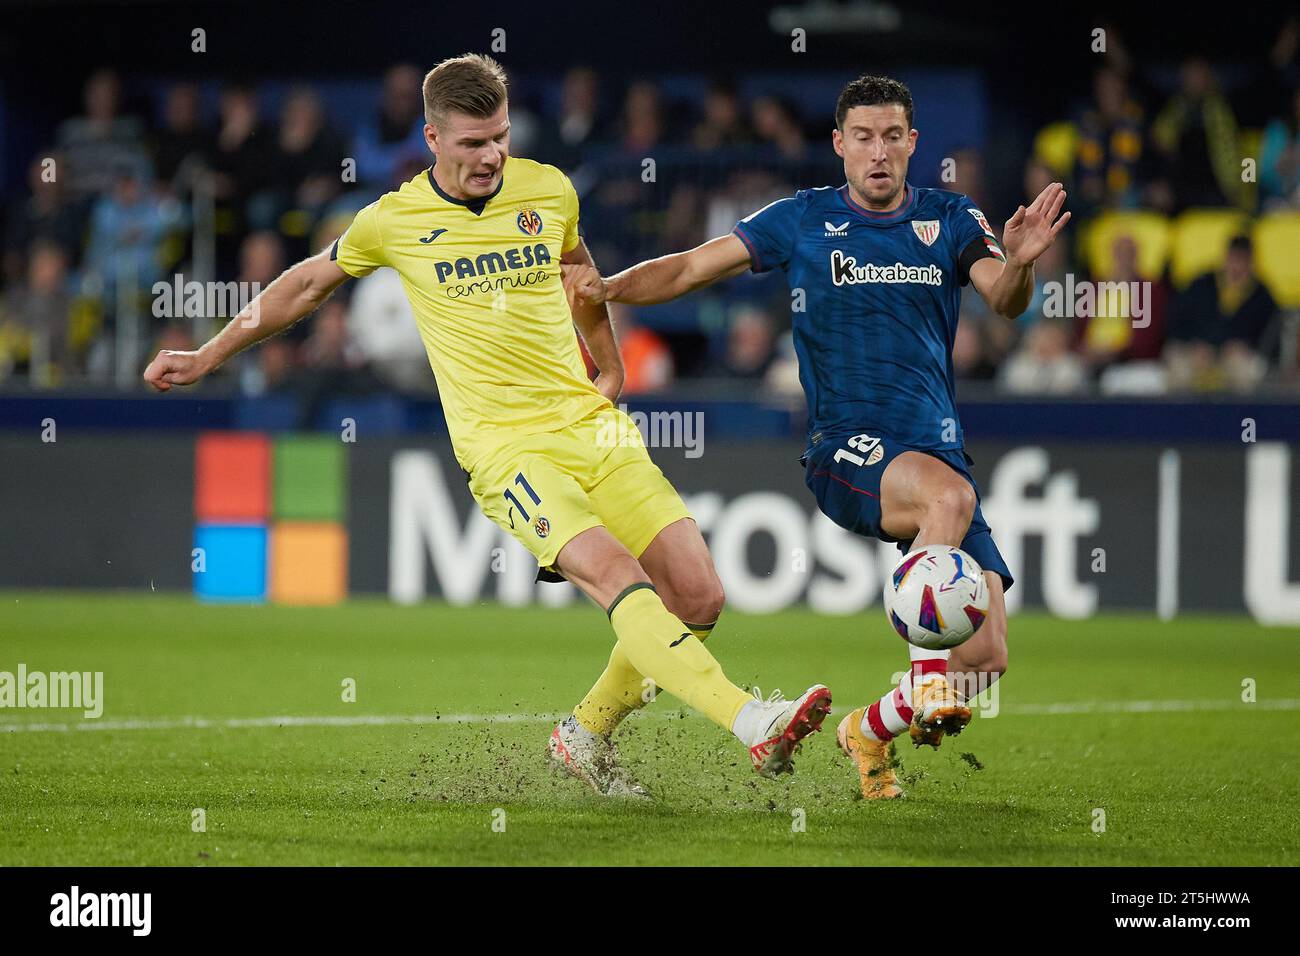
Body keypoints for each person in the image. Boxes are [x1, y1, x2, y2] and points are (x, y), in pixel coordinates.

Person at [143, 54, 830, 797]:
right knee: (616, 576)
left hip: (589, 427)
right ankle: (751, 721)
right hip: (506, 450)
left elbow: (582, 273)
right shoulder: (395, 219)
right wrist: (210, 353)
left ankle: (585, 733)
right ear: (432, 137)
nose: (491, 156)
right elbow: (306, 284)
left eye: (499, 137)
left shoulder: (549, 189)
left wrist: (608, 366)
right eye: (472, 143)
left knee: (699, 598)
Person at [564, 75, 1071, 800]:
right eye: (862, 137)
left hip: (935, 458)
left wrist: (1020, 262)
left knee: (986, 655)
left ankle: (868, 727)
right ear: (839, 145)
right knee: (949, 500)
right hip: (847, 449)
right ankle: (924, 685)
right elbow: (690, 267)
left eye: (892, 137)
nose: (878, 152)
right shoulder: (800, 220)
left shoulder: (951, 218)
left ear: (912, 144)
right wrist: (607, 288)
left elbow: (1004, 298)